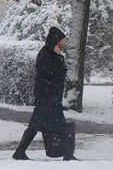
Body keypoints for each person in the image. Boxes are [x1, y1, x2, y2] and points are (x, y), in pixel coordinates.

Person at [12, 26, 78, 161]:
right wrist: (60, 59)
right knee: (38, 126)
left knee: (56, 125)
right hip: (46, 98)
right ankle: (20, 152)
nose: (62, 46)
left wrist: (59, 58)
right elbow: (50, 75)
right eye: (61, 43)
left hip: (51, 97)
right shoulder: (45, 55)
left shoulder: (53, 55)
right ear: (55, 42)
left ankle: (67, 154)